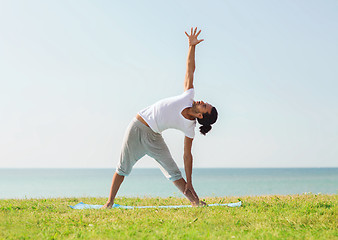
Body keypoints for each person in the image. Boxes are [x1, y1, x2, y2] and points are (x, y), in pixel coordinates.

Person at [101, 27, 218, 209]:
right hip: (138, 127)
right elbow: (190, 70)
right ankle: (109, 203)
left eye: (205, 105)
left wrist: (190, 181)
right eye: (205, 102)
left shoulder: (190, 128)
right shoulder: (189, 96)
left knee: (173, 172)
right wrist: (191, 46)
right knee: (122, 168)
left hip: (154, 137)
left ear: (201, 115)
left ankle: (196, 203)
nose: (202, 101)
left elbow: (187, 155)